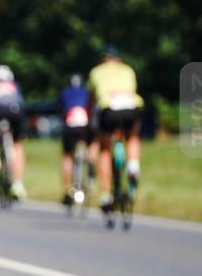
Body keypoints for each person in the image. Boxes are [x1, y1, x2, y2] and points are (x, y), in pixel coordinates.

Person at [88, 46, 143, 213]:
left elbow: (92, 99)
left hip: (109, 107)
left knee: (105, 149)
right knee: (132, 136)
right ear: (119, 59)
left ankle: (105, 193)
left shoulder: (96, 72)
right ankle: (133, 164)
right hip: (130, 106)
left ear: (102, 60)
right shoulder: (128, 70)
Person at [0, 65, 27, 200]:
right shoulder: (15, 85)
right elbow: (21, 102)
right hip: (15, 110)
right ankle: (17, 183)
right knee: (17, 144)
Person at [58, 74, 94, 204]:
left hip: (70, 125)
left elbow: (61, 111)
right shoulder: (87, 92)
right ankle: (90, 173)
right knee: (93, 146)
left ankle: (67, 189)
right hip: (85, 126)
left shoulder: (64, 92)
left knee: (67, 155)